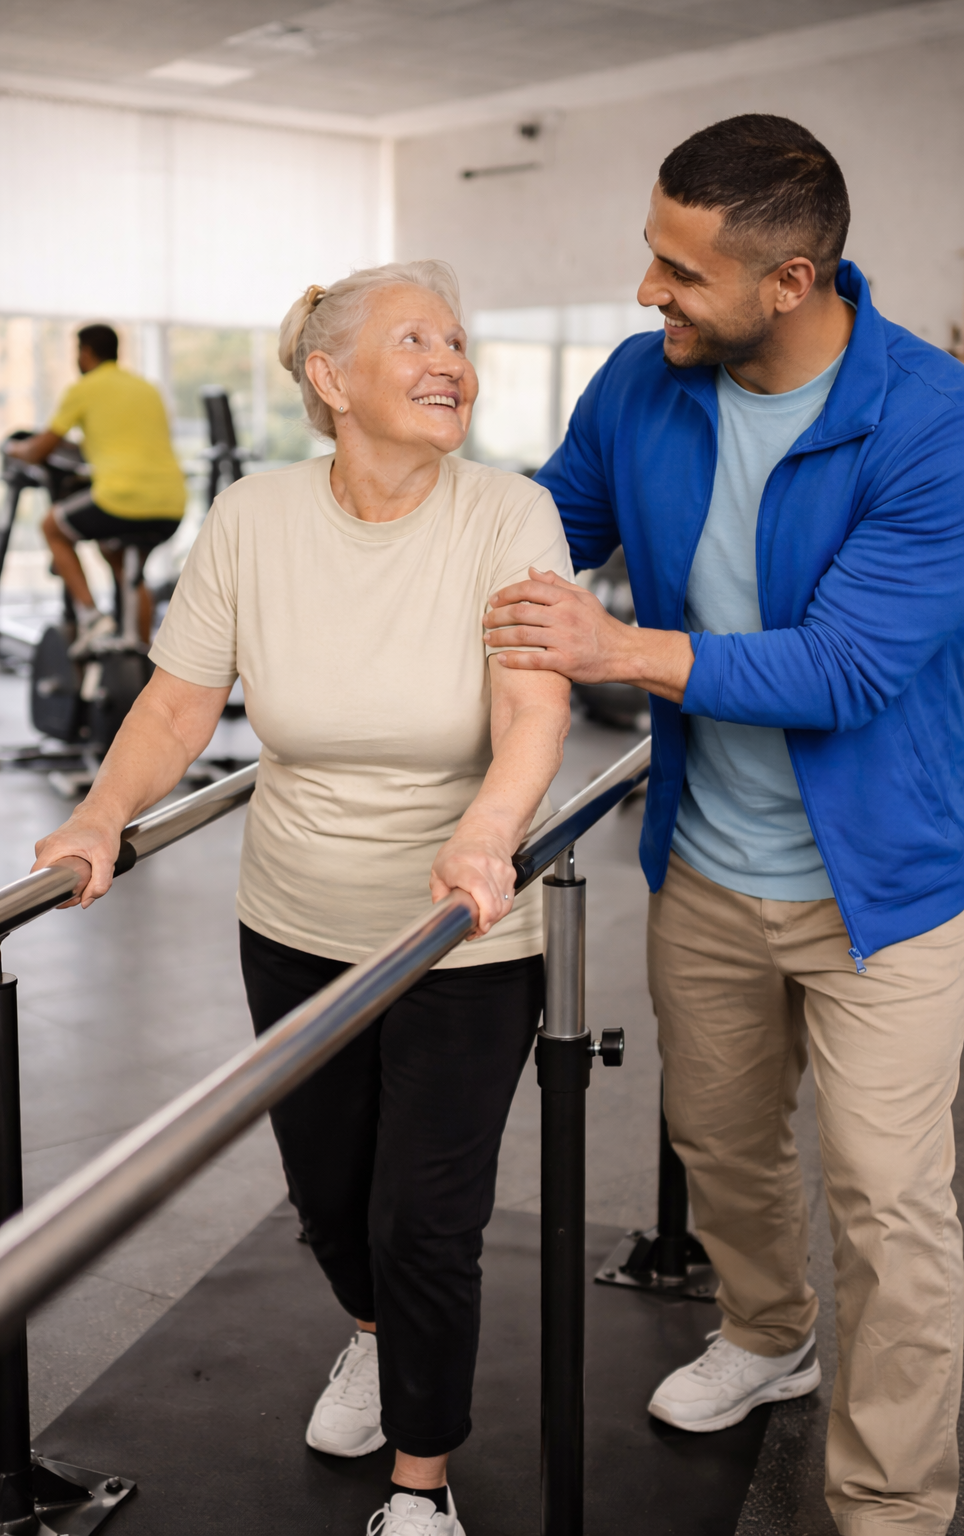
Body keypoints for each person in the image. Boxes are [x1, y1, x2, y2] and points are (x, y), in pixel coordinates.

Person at [482, 116, 964, 1534]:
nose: (648, 291)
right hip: (707, 864)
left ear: (791, 281)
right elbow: (542, 528)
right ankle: (770, 1337)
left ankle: (894, 1510)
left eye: (679, 271)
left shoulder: (941, 425)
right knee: (724, 1150)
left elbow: (845, 670)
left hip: (882, 894)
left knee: (892, 1211)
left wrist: (619, 650)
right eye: (651, 253)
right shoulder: (645, 383)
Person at [32, 261, 574, 1536]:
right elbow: (179, 702)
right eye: (414, 338)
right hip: (294, 917)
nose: (450, 357)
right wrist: (102, 814)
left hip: (467, 933)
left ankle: (421, 1484)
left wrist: (489, 836)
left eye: (457, 334)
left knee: (424, 1218)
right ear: (331, 381)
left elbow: (531, 709)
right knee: (331, 1198)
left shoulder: (510, 515)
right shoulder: (255, 519)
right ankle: (374, 1342)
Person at [7, 323, 185, 652]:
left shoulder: (85, 388)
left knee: (52, 526)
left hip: (121, 500)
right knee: (124, 563)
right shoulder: (146, 388)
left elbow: (37, 451)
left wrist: (13, 449)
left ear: (86, 353)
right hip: (171, 505)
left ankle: (91, 617)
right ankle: (139, 656)